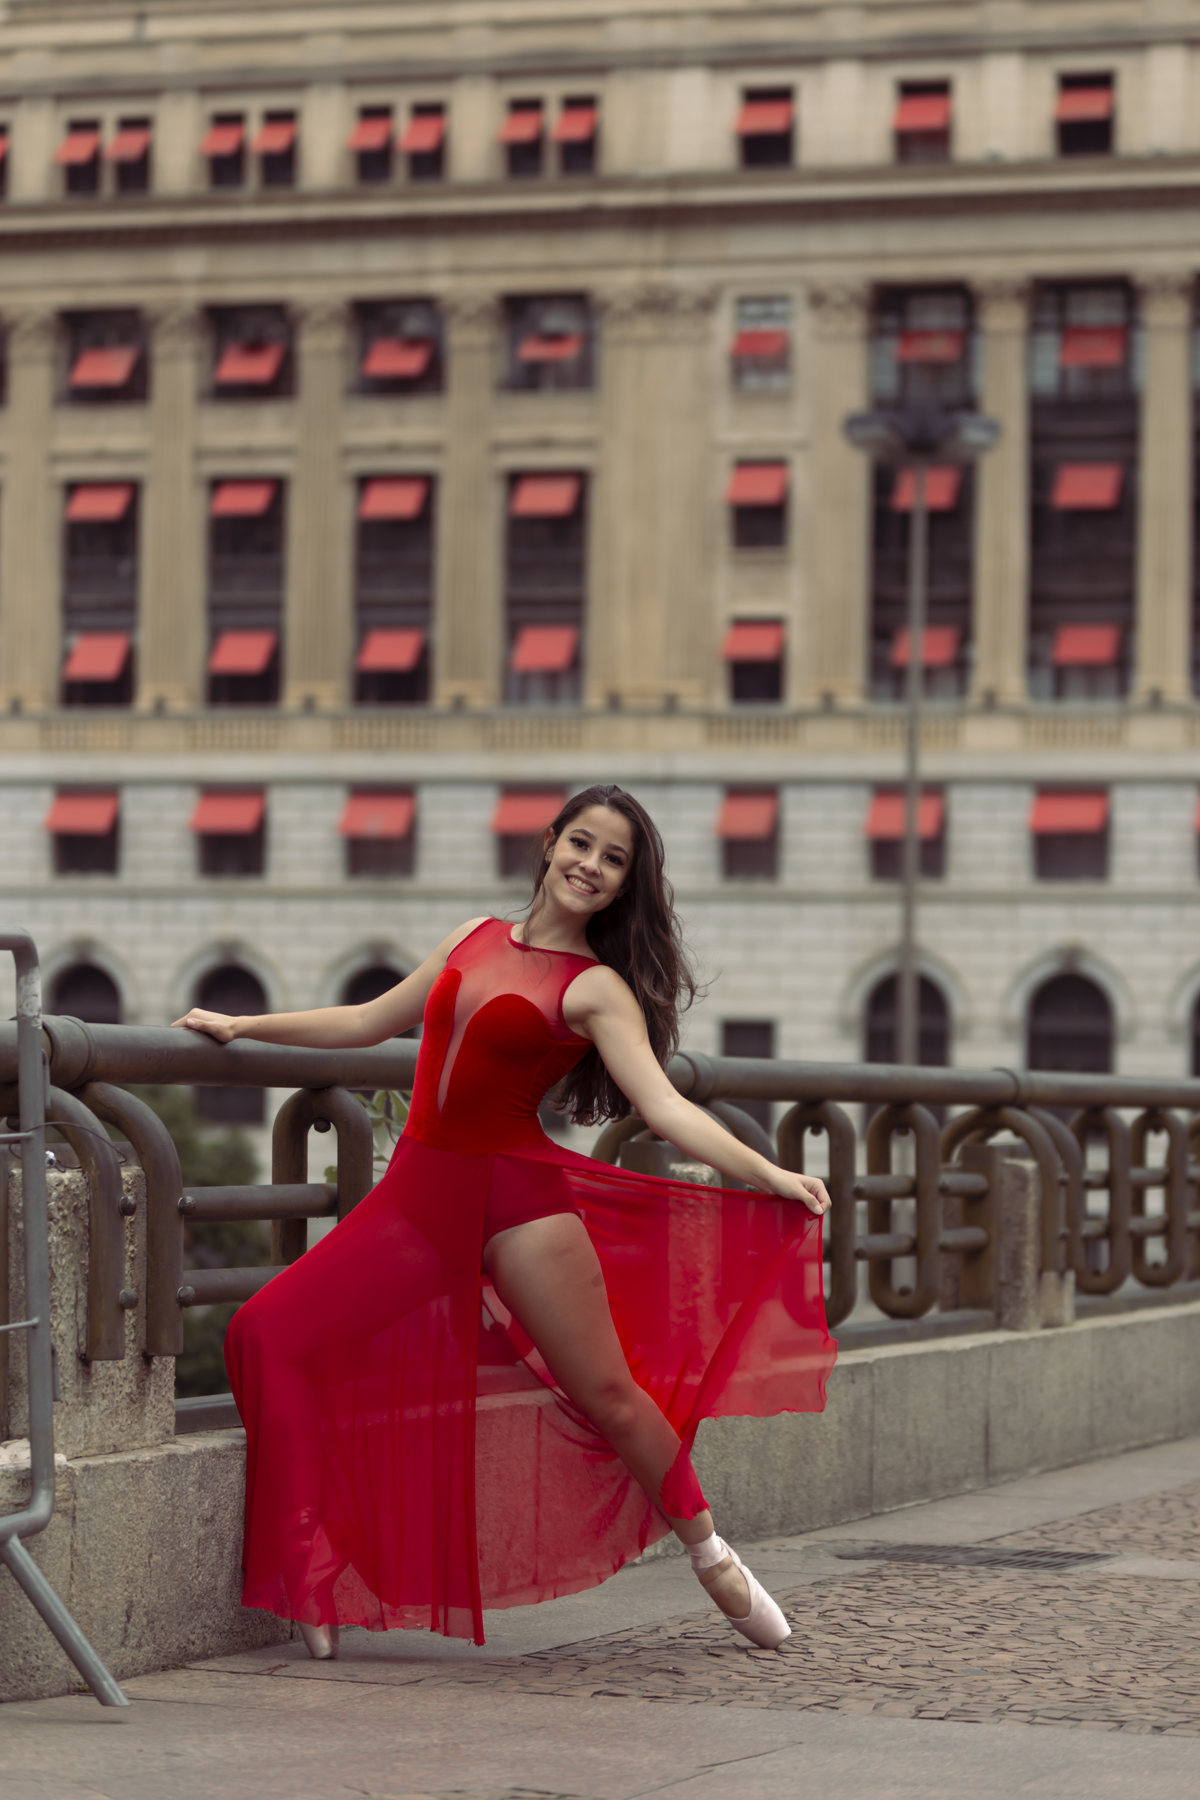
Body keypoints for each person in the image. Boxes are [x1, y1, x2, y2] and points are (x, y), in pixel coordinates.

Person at [175, 784, 835, 1660]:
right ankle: (312, 1568)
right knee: (264, 1332)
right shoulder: (470, 937)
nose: (591, 867)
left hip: (519, 1206)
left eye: (614, 860)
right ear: (551, 842)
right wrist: (241, 1024)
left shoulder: (597, 989)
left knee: (608, 1394)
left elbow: (665, 1108)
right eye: (582, 844)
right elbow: (371, 1022)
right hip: (416, 1204)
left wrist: (771, 1174)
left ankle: (711, 1552)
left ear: (625, 884)